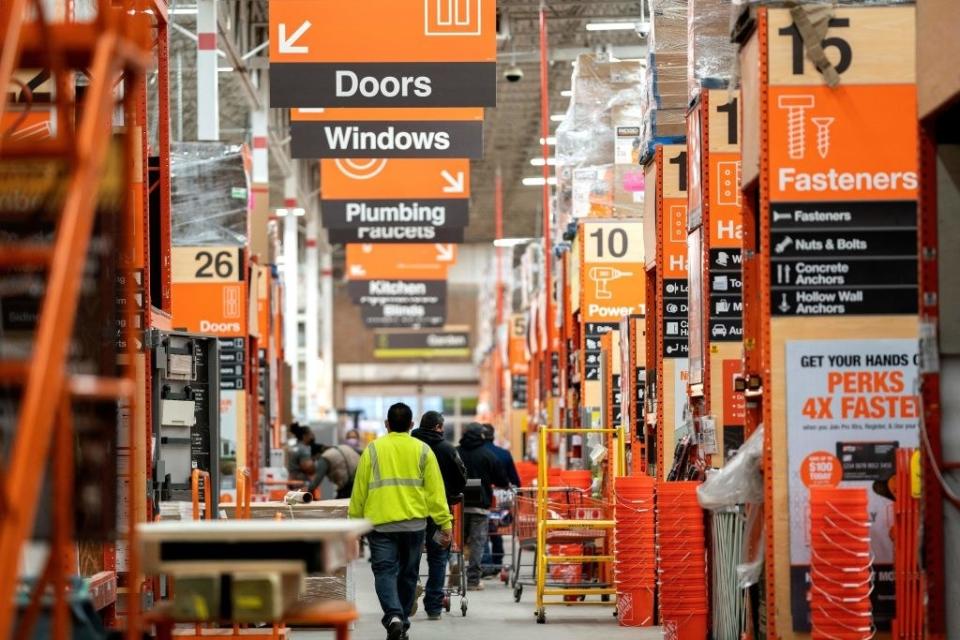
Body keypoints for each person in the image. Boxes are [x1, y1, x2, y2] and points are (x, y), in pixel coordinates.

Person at [349, 403, 453, 640]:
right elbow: (435, 493)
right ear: (411, 425)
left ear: (387, 425)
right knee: (408, 574)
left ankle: (394, 617)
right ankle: (401, 621)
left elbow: (359, 491)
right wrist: (444, 524)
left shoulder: (373, 450)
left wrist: (353, 525)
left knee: (384, 572)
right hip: (414, 525)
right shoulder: (424, 450)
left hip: (381, 525)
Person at [412, 411, 467, 619]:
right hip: (438, 512)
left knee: (411, 555)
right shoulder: (446, 449)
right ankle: (434, 606)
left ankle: (410, 590)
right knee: (438, 557)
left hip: (412, 511)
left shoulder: (411, 447)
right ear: (438, 427)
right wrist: (451, 492)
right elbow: (461, 477)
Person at [457, 422, 510, 590]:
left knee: (456, 541)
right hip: (480, 504)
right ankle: (473, 580)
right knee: (478, 543)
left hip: (459, 503)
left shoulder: (456, 453)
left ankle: (455, 571)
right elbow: (501, 480)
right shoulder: (487, 455)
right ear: (481, 435)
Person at [481, 423, 520, 574]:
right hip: (502, 500)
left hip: (482, 499)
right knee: (495, 529)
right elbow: (515, 480)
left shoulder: (476, 453)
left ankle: (486, 563)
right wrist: (517, 494)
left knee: (482, 530)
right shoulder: (504, 454)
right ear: (493, 436)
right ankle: (498, 560)